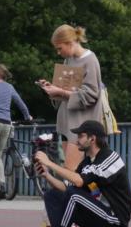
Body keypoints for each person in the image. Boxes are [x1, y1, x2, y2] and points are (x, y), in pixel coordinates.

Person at [30, 120, 131, 227]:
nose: (77, 140)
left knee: (74, 194)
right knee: (52, 194)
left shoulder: (110, 158)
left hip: (114, 222)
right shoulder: (87, 162)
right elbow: (67, 187)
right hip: (97, 217)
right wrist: (47, 175)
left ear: (92, 138)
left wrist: (49, 162)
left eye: (81, 136)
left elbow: (78, 183)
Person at [38, 25, 103, 172]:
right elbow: (66, 91)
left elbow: (91, 95)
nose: (58, 52)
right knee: (77, 173)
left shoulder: (90, 60)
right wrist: (52, 89)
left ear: (69, 42)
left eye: (60, 48)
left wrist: (60, 90)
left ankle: (90, 195)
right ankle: (88, 195)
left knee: (70, 172)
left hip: (81, 126)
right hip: (67, 125)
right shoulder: (69, 61)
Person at [0, 64, 32, 201]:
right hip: (6, 124)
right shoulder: (10, 87)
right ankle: (2, 188)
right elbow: (20, 103)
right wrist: (27, 116)